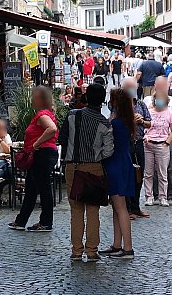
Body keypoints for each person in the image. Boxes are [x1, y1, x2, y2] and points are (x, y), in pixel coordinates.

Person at [58, 82, 110, 262]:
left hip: (73, 166)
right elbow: (109, 150)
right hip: (94, 167)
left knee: (76, 210)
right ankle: (92, 250)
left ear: (86, 98)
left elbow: (61, 138)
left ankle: (76, 250)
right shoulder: (104, 123)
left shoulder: (72, 116)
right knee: (93, 210)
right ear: (103, 101)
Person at [10, 86, 59, 232]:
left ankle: (46, 222)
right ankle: (21, 221)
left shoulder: (43, 115)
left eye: (35, 96)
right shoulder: (44, 113)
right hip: (42, 153)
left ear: (41, 99)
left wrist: (36, 143)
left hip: (43, 153)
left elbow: (52, 129)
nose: (32, 99)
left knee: (43, 188)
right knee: (31, 188)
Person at [101, 87, 138, 259]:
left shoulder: (115, 123)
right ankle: (117, 244)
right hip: (123, 163)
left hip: (115, 164)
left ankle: (127, 248)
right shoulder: (126, 120)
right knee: (117, 207)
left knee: (120, 208)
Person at [142, 87, 172, 207]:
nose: (159, 101)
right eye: (157, 99)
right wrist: (145, 135)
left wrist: (167, 142)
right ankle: (149, 196)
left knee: (162, 173)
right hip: (149, 144)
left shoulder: (169, 112)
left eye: (161, 99)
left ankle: (163, 197)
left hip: (162, 145)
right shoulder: (149, 111)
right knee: (148, 173)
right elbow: (144, 126)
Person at [121, 77, 150, 218]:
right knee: (127, 175)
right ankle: (127, 208)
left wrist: (142, 121)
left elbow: (150, 123)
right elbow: (114, 121)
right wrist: (130, 119)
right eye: (128, 87)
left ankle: (135, 206)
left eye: (133, 87)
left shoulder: (141, 104)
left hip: (138, 142)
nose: (131, 90)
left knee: (139, 175)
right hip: (125, 143)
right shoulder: (118, 104)